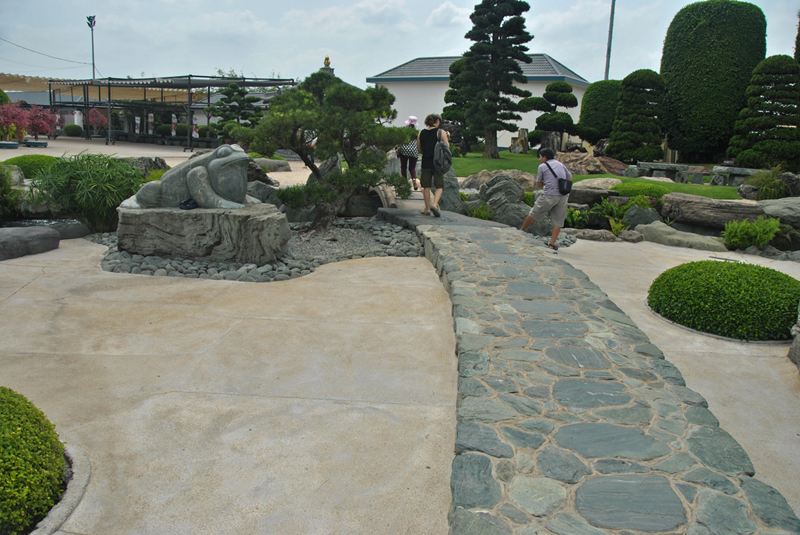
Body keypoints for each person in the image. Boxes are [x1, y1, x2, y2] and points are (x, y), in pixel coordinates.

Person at [520, 147, 573, 250]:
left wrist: (546, 181)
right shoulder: (560, 164)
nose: (539, 159)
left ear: (545, 157)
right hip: (563, 196)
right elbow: (569, 178)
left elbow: (539, 184)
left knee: (534, 212)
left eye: (540, 156)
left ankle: (521, 231)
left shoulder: (542, 166)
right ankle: (552, 244)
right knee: (558, 221)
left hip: (550, 195)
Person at [417, 113, 450, 217]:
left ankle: (427, 209)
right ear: (437, 121)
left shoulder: (421, 132)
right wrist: (447, 137)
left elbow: (419, 149)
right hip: (437, 163)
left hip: (425, 163)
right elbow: (447, 148)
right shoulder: (441, 132)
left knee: (426, 186)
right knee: (439, 186)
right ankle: (435, 205)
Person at [398, 116, 419, 190]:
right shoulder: (416, 132)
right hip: (414, 151)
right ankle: (414, 179)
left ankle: (404, 183)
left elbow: (400, 140)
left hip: (404, 150)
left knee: (403, 167)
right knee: (412, 168)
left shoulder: (404, 130)